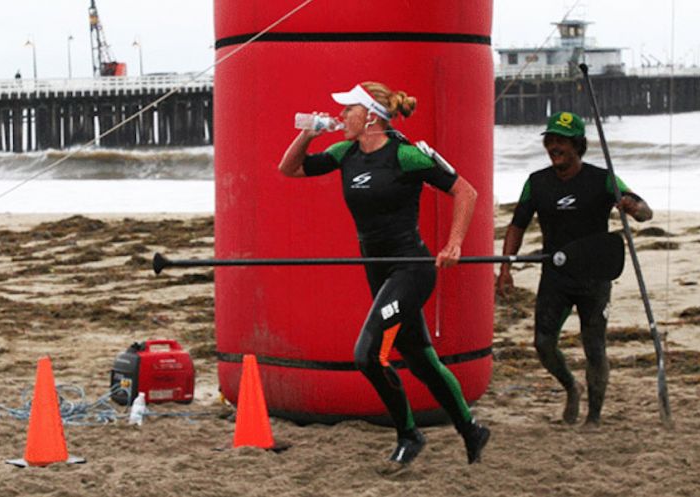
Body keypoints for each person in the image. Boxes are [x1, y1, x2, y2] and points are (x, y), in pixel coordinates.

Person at [277, 81, 490, 465]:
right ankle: (472, 430)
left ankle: (409, 434)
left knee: (368, 356)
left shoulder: (405, 156)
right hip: (378, 272)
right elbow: (289, 169)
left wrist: (454, 244)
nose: (340, 117)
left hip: (412, 270)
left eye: (348, 110)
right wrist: (307, 135)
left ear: (371, 116)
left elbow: (466, 192)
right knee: (421, 359)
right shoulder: (345, 152)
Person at [496, 111, 653, 427]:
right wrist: (506, 267)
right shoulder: (536, 183)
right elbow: (517, 225)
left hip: (595, 276)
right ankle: (571, 387)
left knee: (594, 348)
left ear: (577, 145)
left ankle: (593, 418)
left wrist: (633, 207)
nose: (554, 146)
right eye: (550, 140)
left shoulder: (602, 179)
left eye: (561, 141)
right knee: (543, 343)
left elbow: (645, 212)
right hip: (555, 275)